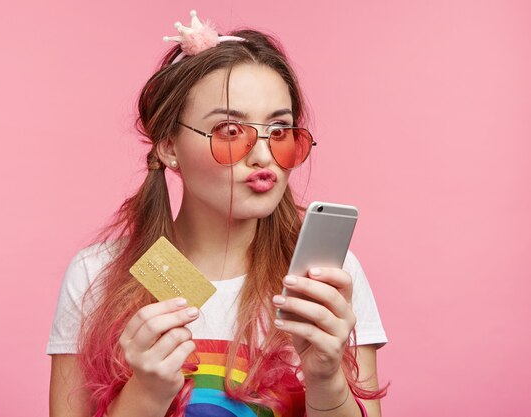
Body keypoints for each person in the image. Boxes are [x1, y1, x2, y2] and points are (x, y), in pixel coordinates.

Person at [48, 10, 388, 417]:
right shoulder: (96, 276)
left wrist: (326, 377)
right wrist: (147, 393)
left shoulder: (326, 279)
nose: (263, 155)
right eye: (230, 131)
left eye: (279, 132)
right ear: (169, 145)